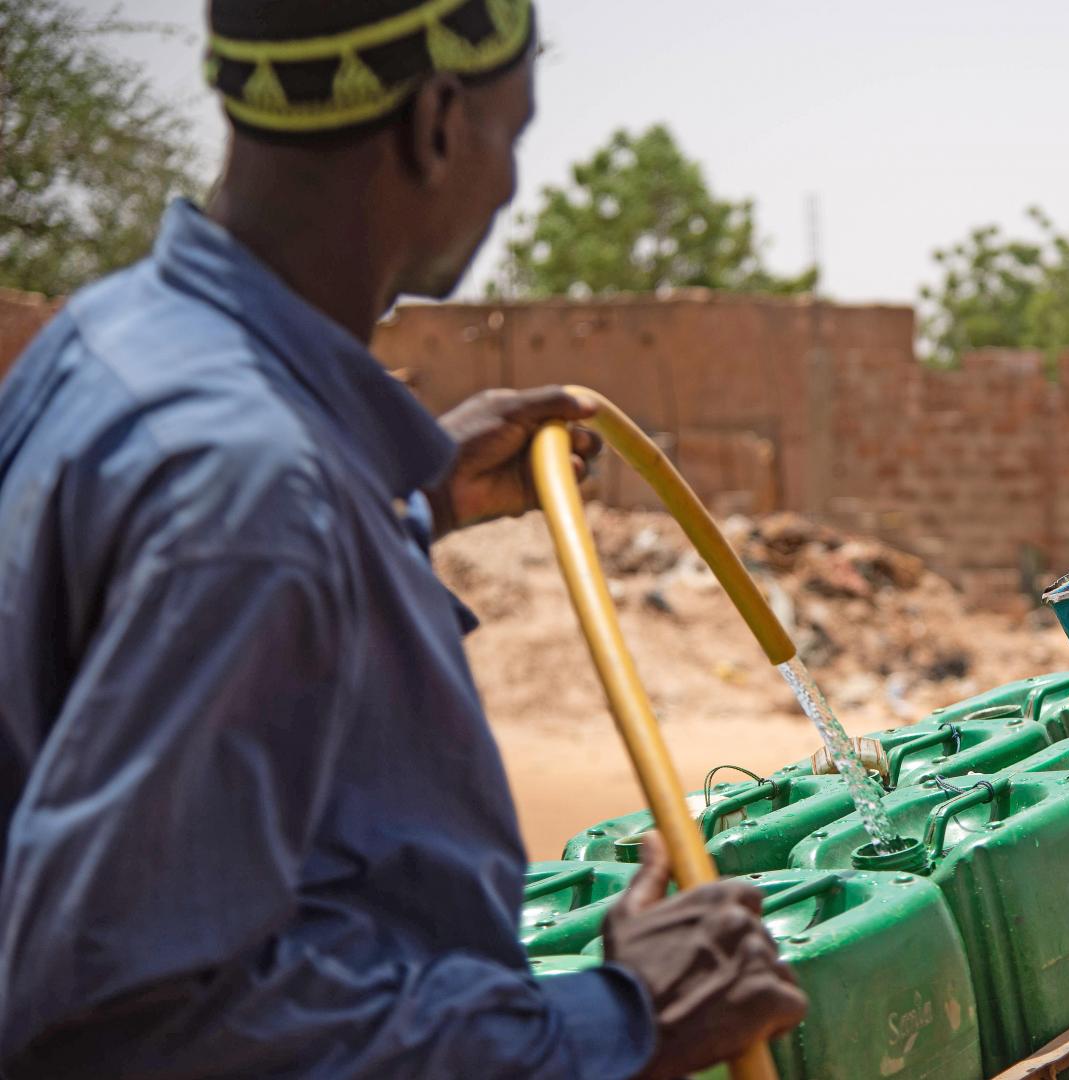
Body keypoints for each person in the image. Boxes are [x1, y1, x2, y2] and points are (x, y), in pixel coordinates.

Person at [0, 2, 805, 1076]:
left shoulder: (108, 343)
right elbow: (129, 1022)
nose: (511, 183)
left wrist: (408, 506)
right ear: (433, 121)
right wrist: (620, 1023)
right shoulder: (250, 489)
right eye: (508, 136)